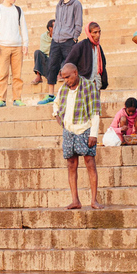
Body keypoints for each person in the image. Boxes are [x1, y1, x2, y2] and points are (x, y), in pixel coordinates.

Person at [52, 63, 102, 210]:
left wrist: (94, 134)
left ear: (75, 73)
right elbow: (56, 103)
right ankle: (75, 200)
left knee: (90, 163)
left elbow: (95, 111)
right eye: (63, 78)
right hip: (68, 131)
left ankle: (94, 200)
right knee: (71, 165)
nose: (66, 80)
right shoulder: (64, 89)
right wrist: (57, 116)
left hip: (85, 129)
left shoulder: (89, 86)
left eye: (68, 77)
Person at [39, 0, 83, 105]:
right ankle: (51, 95)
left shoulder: (76, 4)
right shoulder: (59, 4)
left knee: (70, 67)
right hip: (56, 41)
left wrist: (74, 38)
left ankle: (73, 93)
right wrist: (56, 36)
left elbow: (78, 23)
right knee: (52, 66)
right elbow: (57, 21)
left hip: (68, 41)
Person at [0, 0, 28, 107]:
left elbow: (23, 27)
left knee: (17, 75)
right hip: (3, 46)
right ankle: (1, 99)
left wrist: (25, 44)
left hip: (17, 45)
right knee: (3, 74)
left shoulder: (18, 10)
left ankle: (17, 98)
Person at [65, 21, 108, 91]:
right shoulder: (81, 46)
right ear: (89, 33)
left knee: (96, 101)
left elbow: (102, 65)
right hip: (84, 82)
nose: (98, 35)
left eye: (99, 32)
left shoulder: (98, 47)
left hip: (96, 82)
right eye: (95, 32)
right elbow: (69, 62)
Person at [32, 20, 54, 84]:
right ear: (50, 28)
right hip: (46, 59)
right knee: (37, 52)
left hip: (55, 59)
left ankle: (59, 74)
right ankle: (38, 76)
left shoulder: (59, 36)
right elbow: (44, 50)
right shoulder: (43, 37)